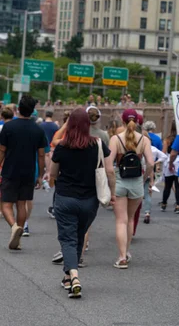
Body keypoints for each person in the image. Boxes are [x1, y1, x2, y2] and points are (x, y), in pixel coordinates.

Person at [50, 108, 115, 298]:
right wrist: (111, 193)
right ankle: (68, 277)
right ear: (89, 124)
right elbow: (109, 171)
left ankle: (75, 277)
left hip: (65, 198)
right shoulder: (98, 144)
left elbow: (53, 174)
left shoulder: (62, 146)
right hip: (89, 201)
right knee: (78, 236)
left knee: (68, 239)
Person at [107, 109, 154, 269]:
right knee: (131, 219)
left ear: (123, 121)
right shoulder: (144, 140)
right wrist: (145, 177)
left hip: (120, 180)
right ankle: (126, 252)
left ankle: (121, 257)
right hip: (136, 182)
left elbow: (109, 167)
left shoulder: (115, 139)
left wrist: (111, 185)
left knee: (121, 220)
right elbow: (151, 163)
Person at [0, 95, 46, 250]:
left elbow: (2, 151)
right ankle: (17, 238)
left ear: (18, 109)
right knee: (22, 204)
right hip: (28, 172)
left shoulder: (9, 127)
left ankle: (14, 227)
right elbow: (41, 155)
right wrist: (40, 175)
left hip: (10, 171)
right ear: (33, 111)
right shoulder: (38, 130)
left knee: (5, 204)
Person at [161, 121, 179, 213]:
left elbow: (164, 152)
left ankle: (164, 203)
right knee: (178, 186)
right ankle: (178, 205)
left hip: (170, 160)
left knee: (168, 186)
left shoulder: (168, 139)